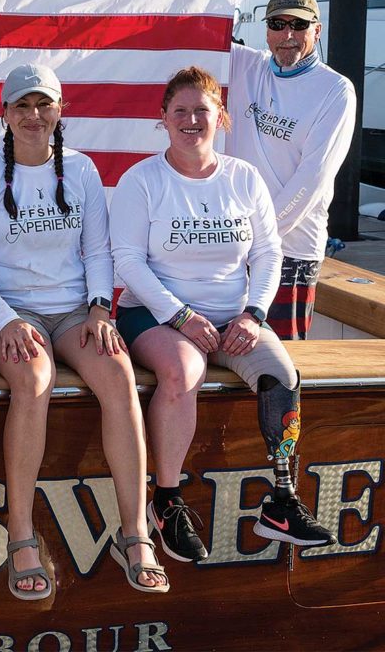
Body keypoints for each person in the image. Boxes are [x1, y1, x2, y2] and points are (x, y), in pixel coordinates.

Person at [109, 66, 337, 564]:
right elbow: (126, 261)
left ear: (222, 118)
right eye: (181, 111)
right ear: (163, 120)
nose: (192, 120)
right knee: (184, 370)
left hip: (235, 318)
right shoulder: (142, 181)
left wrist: (254, 313)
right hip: (152, 314)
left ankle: (280, 500)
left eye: (202, 111)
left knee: (282, 376)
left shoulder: (243, 177)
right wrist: (181, 316)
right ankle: (166, 502)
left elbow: (269, 254)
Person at [0, 64, 168, 597]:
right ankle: (21, 535)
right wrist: (5, 320)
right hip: (5, 315)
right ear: (4, 114)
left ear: (59, 110)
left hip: (75, 311)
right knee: (33, 379)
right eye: (21, 106)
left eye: (43, 105)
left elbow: (97, 250)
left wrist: (100, 309)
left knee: (119, 376)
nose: (33, 116)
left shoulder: (83, 170)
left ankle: (134, 531)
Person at [217, 0, 357, 339]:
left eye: (298, 25)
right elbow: (198, 23)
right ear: (266, 31)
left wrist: (257, 239)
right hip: (234, 247)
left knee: (278, 367)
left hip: (289, 250)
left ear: (317, 29)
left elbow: (311, 180)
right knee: (226, 365)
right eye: (278, 25)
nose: (287, 35)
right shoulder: (247, 65)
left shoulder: (335, 90)